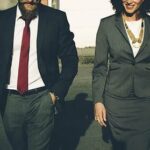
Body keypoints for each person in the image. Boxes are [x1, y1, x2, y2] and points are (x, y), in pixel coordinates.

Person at [0, 0, 78, 150]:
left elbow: (70, 59)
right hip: (10, 101)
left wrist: (56, 93)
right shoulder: (3, 19)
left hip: (42, 99)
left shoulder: (56, 18)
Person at [92, 0, 150, 150]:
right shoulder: (107, 25)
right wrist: (98, 101)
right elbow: (100, 68)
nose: (129, 1)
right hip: (116, 101)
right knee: (120, 146)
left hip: (146, 102)